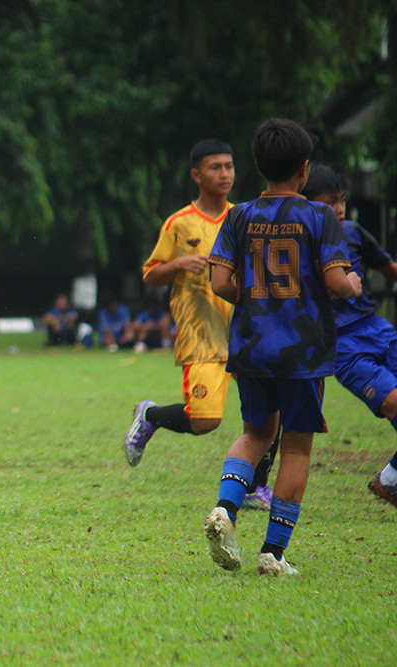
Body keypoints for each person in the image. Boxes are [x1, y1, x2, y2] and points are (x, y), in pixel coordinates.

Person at [206, 118, 361, 576]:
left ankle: (225, 510)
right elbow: (336, 279)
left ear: (257, 165)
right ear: (305, 169)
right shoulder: (320, 217)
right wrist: (351, 283)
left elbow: (219, 281)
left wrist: (256, 300)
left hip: (251, 346)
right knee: (295, 449)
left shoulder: (238, 215)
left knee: (255, 434)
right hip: (304, 352)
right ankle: (273, 554)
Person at [123, 138, 276, 509]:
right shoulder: (179, 224)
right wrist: (178, 265)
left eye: (229, 166)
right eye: (215, 167)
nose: (224, 174)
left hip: (248, 334)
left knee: (272, 414)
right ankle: (151, 415)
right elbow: (150, 275)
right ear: (196, 174)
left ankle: (255, 488)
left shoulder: (246, 216)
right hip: (202, 334)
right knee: (206, 421)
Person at [302, 164, 397, 510]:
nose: (339, 210)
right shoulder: (301, 243)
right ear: (308, 204)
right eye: (331, 202)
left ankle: (390, 479)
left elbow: (388, 267)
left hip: (378, 329)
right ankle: (390, 479)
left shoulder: (354, 232)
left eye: (342, 201)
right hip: (342, 346)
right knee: (394, 402)